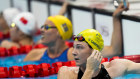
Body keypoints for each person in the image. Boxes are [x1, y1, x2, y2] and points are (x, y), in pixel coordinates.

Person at [57, 28, 140, 79]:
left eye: (79, 47)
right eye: (74, 47)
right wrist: (89, 70)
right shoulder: (66, 73)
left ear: (94, 52)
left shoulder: (116, 68)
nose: (73, 52)